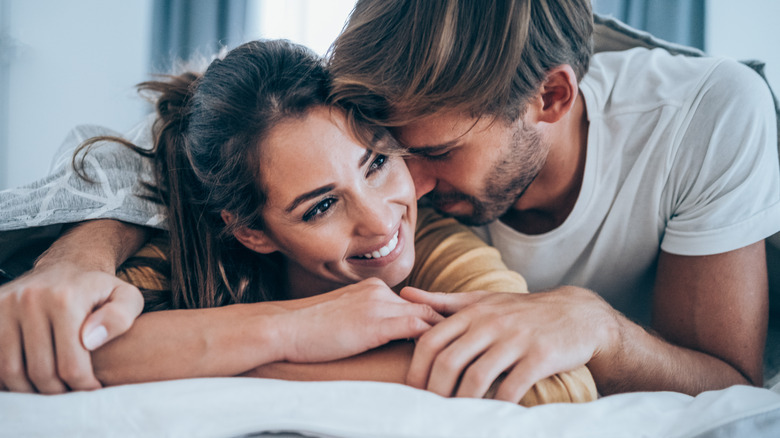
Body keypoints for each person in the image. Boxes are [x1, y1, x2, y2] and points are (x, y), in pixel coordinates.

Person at [0, 39, 595, 405]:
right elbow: (46, 347)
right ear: (252, 231)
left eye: (378, 164)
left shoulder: (438, 247)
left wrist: (262, 360)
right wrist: (292, 327)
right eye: (320, 206)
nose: (378, 220)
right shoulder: (193, 258)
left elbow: (557, 386)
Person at [323, 0, 780, 400]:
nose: (410, 189)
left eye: (438, 153)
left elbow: (732, 389)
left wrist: (604, 331)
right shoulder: (378, 170)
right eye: (390, 157)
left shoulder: (703, 115)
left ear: (551, 96)